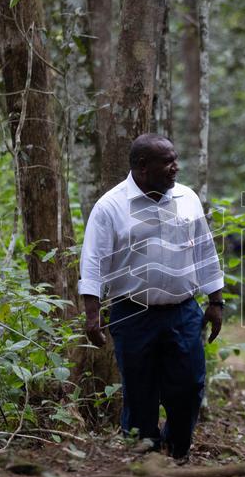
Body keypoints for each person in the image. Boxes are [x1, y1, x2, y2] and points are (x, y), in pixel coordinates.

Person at [79, 133, 225, 460]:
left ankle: (175, 449)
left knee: (189, 386)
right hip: (132, 314)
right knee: (140, 390)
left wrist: (215, 301)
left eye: (175, 159)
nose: (176, 167)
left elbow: (205, 250)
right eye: (168, 162)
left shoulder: (187, 198)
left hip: (183, 310)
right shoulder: (111, 206)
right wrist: (92, 313)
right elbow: (93, 260)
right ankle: (144, 453)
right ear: (143, 167)